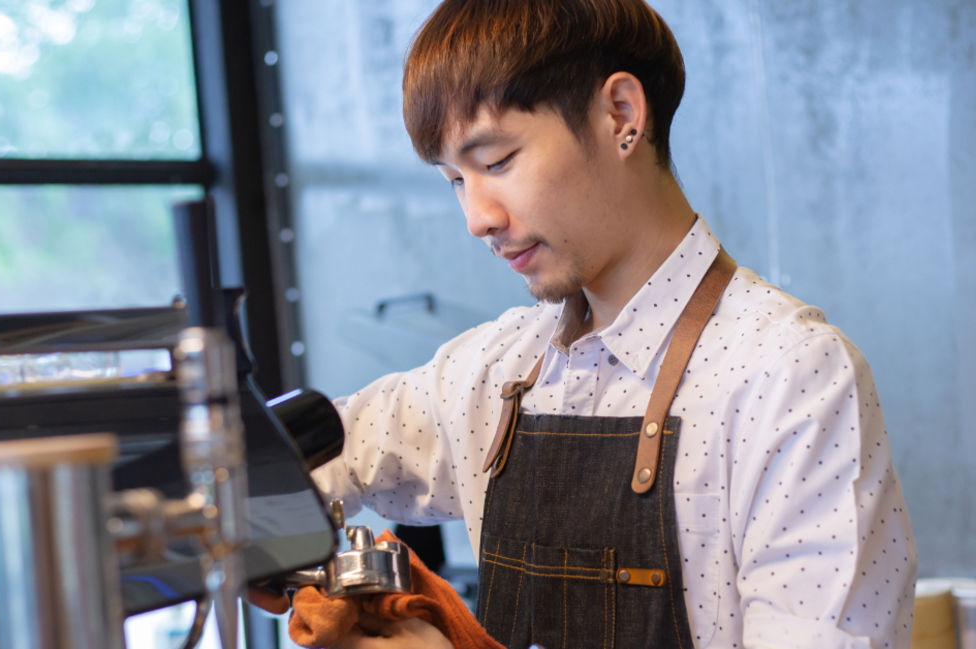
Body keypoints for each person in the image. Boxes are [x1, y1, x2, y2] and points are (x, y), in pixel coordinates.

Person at [253, 1, 918, 647]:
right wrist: (249, 523)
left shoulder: (789, 378)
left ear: (620, 115)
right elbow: (306, 463)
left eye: (496, 161)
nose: (476, 218)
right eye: (455, 178)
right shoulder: (495, 374)